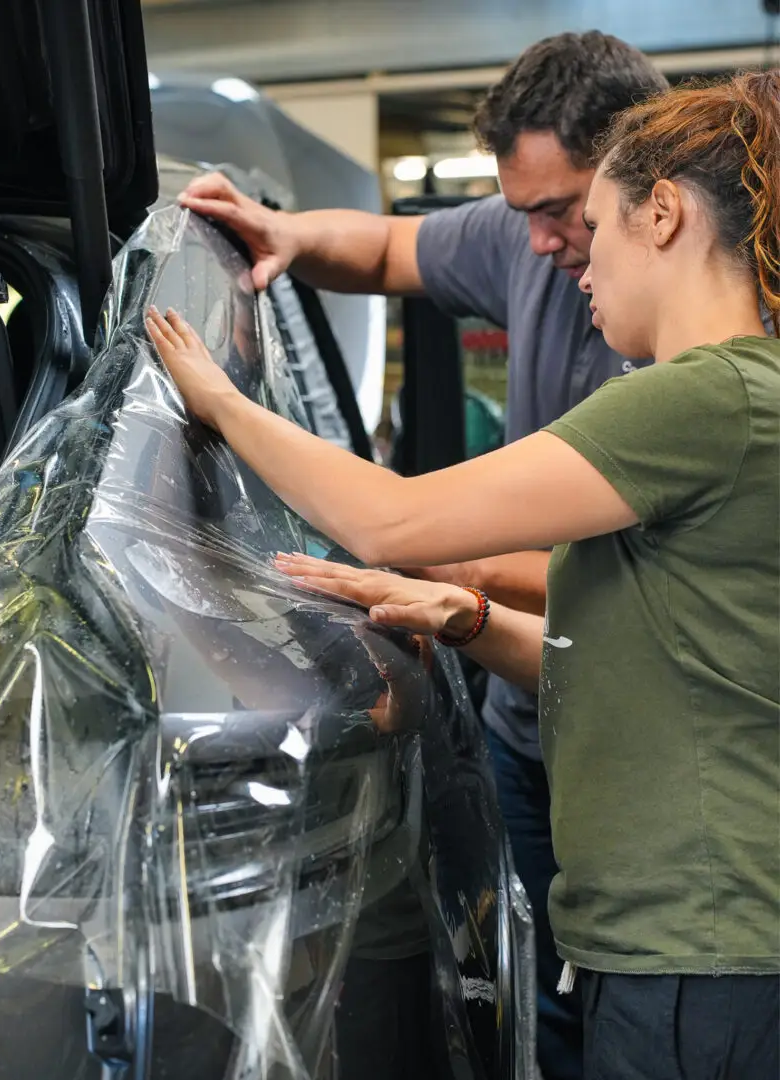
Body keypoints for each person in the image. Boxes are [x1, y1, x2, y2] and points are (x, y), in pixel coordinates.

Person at [146, 69, 780, 1079]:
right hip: (685, 952)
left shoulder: (697, 402)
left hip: (702, 960)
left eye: (596, 231)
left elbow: (390, 517)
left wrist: (219, 404)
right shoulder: (734, 398)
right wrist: (465, 620)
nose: (576, 271)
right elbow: (632, 665)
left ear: (662, 215)